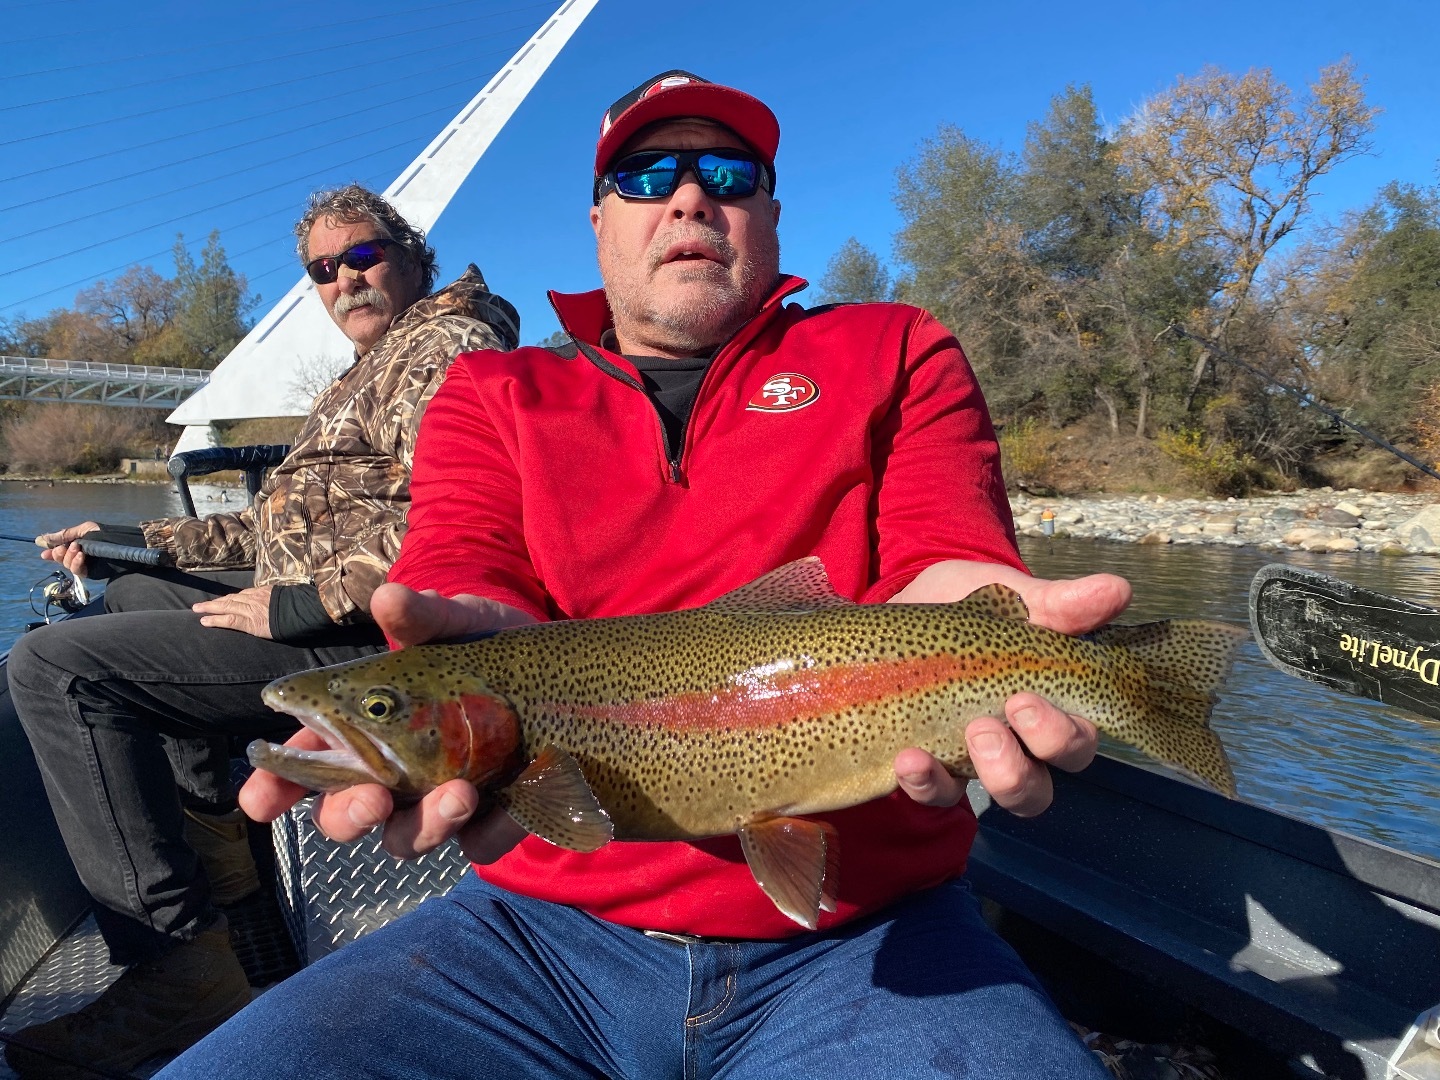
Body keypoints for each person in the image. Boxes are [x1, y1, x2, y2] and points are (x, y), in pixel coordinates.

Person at [168, 74, 1127, 1078]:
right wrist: (461, 630)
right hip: (533, 937)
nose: (688, 196)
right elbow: (465, 567)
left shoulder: (895, 349)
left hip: (873, 940)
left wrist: (992, 625)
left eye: (728, 171)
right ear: (597, 220)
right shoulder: (493, 391)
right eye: (644, 173)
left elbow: (944, 556)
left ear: (770, 212)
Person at [5, 185, 520, 1079]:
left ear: (411, 257)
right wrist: (130, 546)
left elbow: (456, 521)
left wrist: (293, 604)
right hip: (319, 607)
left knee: (55, 667)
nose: (344, 279)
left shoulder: (446, 346)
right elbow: (260, 529)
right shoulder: (367, 370)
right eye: (323, 270)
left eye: (362, 255)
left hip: (374, 645)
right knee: (128, 602)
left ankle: (176, 966)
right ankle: (234, 898)